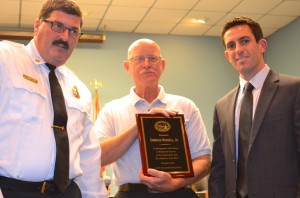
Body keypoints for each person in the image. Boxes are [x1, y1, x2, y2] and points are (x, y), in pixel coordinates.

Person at [0, 0, 107, 197]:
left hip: (68, 192)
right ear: (37, 26)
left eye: (73, 31)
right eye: (57, 26)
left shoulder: (79, 89)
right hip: (15, 191)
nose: (65, 37)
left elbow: (88, 156)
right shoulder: (6, 60)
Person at [93, 38, 211, 198]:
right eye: (139, 59)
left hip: (180, 192)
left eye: (153, 58)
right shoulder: (111, 110)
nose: (147, 64)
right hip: (131, 194)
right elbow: (97, 157)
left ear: (162, 65)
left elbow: (203, 161)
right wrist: (139, 126)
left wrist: (176, 182)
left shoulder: (186, 106)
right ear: (127, 67)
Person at [208, 16, 300, 198]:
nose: (238, 50)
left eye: (244, 41)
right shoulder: (222, 106)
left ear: (262, 45)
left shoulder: (294, 90)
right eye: (231, 45)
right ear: (227, 55)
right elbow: (219, 167)